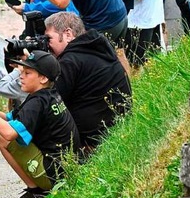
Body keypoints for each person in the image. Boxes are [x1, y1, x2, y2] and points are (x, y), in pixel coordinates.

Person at [0, 50, 80, 198]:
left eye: (28, 73)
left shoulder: (37, 103)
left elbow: (8, 132)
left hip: (53, 175)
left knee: (4, 141)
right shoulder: (48, 94)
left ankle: (36, 191)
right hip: (67, 169)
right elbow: (8, 118)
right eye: (22, 71)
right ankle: (38, 189)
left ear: (43, 78)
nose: (21, 76)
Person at [44, 12, 132, 154]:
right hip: (120, 130)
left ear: (68, 34)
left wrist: (34, 68)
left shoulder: (70, 61)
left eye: (49, 39)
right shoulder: (98, 47)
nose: (47, 45)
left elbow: (49, 102)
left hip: (92, 143)